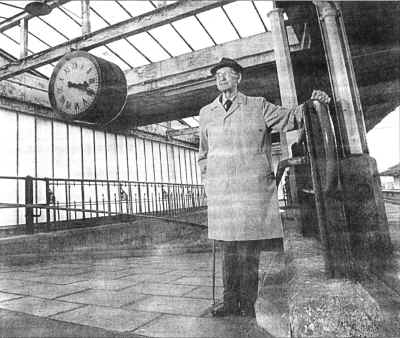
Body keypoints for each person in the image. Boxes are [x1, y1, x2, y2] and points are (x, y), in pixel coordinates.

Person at [198, 57, 330, 317]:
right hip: (222, 192)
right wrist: (208, 182)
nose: (221, 78)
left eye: (226, 74)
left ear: (239, 78)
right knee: (228, 250)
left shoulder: (258, 106)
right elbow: (204, 153)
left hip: (251, 191)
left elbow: (290, 118)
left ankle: (247, 304)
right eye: (217, 75)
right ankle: (228, 300)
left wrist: (313, 104)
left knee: (248, 250)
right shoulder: (206, 113)